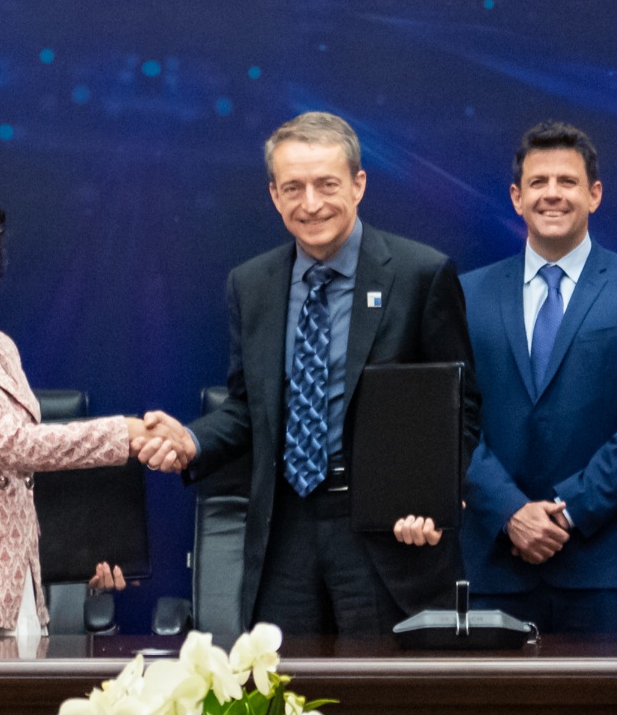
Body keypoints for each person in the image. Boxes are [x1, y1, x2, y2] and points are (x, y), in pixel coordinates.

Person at [179, 112, 478, 637]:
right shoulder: (250, 284)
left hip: (386, 534)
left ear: (359, 184)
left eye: (326, 184)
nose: (311, 203)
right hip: (283, 534)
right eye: (293, 187)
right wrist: (189, 440)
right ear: (274, 195)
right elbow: (248, 408)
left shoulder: (420, 274)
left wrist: (431, 500)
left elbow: (460, 407)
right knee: (282, 700)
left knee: (383, 708)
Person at [390, 122, 617, 634]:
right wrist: (510, 512)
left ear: (594, 194)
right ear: (516, 197)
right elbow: (448, 418)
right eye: (538, 182)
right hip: (491, 565)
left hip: (608, 570)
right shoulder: (466, 293)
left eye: (568, 182)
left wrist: (567, 513)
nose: (552, 194)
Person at [0, 187, 182, 637]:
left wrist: (90, 552)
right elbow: (14, 446)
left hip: (18, 587)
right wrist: (128, 433)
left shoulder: (0, 345)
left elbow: (23, 479)